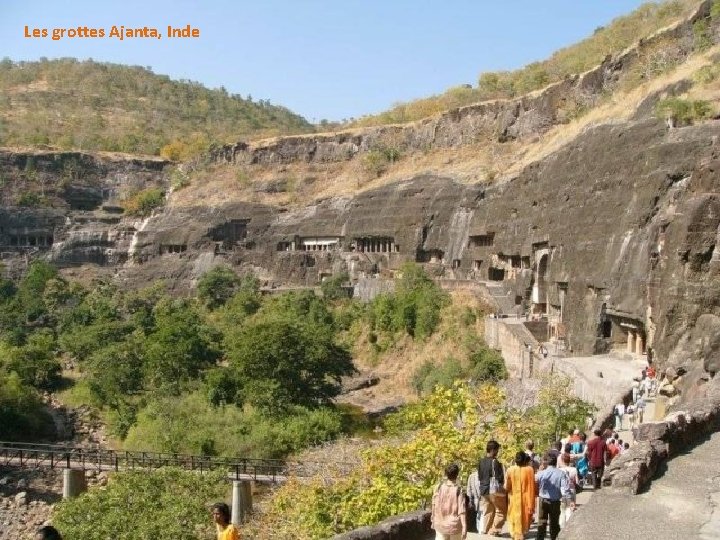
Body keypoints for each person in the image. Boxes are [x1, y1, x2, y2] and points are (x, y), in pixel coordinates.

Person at [535, 453, 574, 540]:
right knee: (554, 522)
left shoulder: (541, 473)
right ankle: (554, 538)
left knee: (541, 521)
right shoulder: (561, 474)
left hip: (542, 500)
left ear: (547, 462)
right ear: (556, 462)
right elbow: (565, 489)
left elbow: (534, 481)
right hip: (555, 501)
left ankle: (540, 538)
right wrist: (570, 501)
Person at [504, 452, 536, 540]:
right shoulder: (530, 470)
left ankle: (515, 534)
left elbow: (506, 486)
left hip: (514, 498)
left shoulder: (510, 470)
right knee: (524, 516)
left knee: (514, 516)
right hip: (526, 499)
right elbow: (533, 486)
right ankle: (522, 533)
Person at [477, 440, 507, 536]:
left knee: (488, 511)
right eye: (497, 450)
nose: (497, 452)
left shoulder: (481, 461)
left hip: (483, 490)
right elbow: (500, 478)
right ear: (493, 450)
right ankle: (494, 530)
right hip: (494, 490)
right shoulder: (496, 462)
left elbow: (479, 476)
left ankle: (485, 530)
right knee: (501, 511)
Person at [431, 463, 467, 540]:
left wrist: (433, 518)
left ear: (446, 474)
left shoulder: (438, 487)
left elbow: (434, 504)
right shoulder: (459, 490)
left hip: (440, 523)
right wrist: (464, 526)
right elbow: (461, 510)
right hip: (454, 526)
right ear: (457, 474)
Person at [466, 468, 482, 534]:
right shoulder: (472, 476)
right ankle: (476, 529)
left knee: (481, 515)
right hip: (475, 499)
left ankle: (480, 530)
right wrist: (469, 500)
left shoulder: (485, 475)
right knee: (475, 515)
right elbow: (469, 488)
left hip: (483, 499)